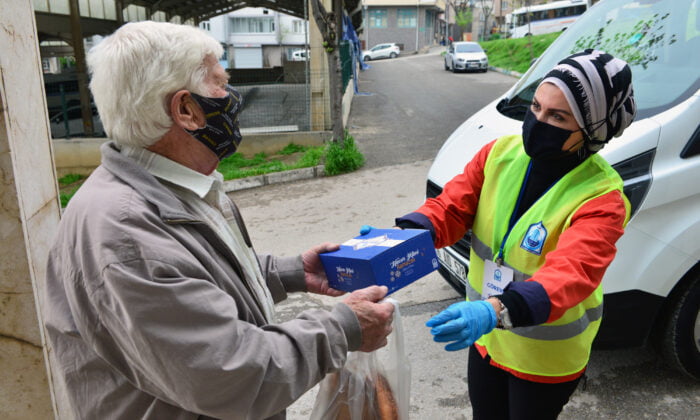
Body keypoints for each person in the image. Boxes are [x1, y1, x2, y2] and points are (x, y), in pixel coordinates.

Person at [43, 21, 394, 420]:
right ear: (186, 110)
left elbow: (198, 279)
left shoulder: (173, 188)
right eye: (219, 84)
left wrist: (287, 273)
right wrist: (342, 328)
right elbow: (233, 374)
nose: (231, 97)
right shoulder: (126, 237)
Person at [370, 49, 637, 419]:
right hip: (487, 340)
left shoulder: (602, 198)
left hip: (544, 359)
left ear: (592, 130)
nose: (538, 121)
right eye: (537, 108)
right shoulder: (499, 154)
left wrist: (493, 310)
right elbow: (450, 208)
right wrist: (401, 238)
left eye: (557, 116)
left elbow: (570, 275)